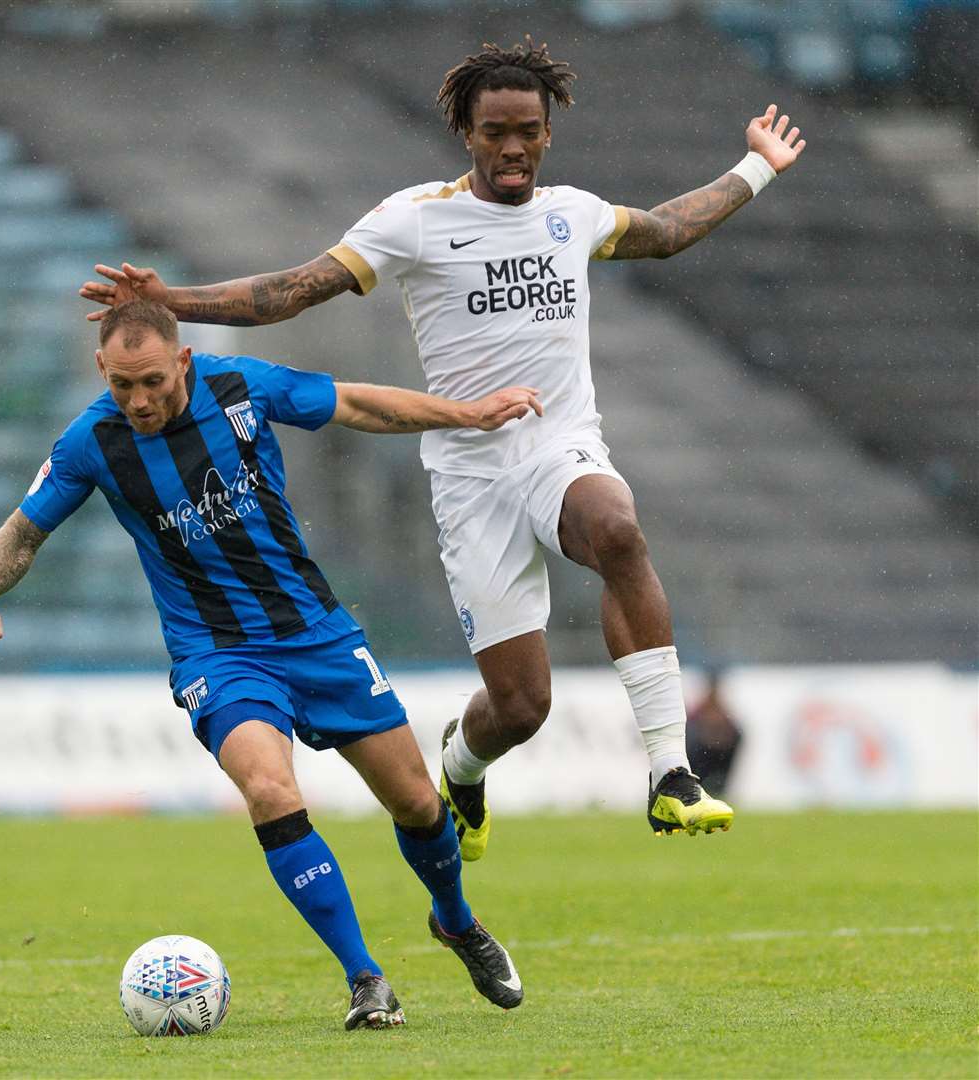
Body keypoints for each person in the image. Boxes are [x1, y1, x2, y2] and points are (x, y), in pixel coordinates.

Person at [80, 38, 808, 845]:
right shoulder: (415, 221)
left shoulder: (574, 213)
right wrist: (172, 301)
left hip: (558, 444)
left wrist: (758, 168)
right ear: (467, 132)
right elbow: (292, 291)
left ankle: (670, 771)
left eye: (526, 129)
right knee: (523, 707)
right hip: (469, 476)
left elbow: (669, 230)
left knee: (618, 530)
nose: (512, 146)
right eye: (494, 130)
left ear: (546, 133)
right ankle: (463, 763)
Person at [0, 300, 542, 1029]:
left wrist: (469, 413)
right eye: (122, 384)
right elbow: (23, 530)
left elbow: (356, 402)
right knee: (269, 789)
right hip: (218, 655)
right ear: (102, 369)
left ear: (185, 362)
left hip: (317, 634)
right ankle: (366, 979)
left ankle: (454, 920)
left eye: (153, 383)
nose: (138, 401)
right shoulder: (90, 443)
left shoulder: (245, 388)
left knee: (419, 805)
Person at [685, 670, 743, 798]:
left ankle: (717, 785)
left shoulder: (718, 707)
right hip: (704, 752)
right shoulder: (705, 707)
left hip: (715, 754)